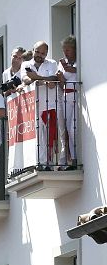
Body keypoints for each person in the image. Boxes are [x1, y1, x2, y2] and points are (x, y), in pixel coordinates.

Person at [22, 41, 60, 169]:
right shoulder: (26, 64)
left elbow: (54, 79)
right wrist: (44, 80)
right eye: (37, 52)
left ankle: (49, 164)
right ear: (33, 50)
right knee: (38, 137)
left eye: (43, 53)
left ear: (46, 54)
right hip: (33, 106)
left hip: (50, 105)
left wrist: (36, 78)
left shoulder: (52, 63)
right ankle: (41, 163)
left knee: (51, 135)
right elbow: (25, 79)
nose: (39, 55)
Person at [56, 36, 78, 169]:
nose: (66, 53)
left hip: (76, 96)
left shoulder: (80, 60)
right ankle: (69, 159)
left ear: (74, 50)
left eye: (68, 50)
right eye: (64, 50)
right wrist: (60, 77)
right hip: (65, 96)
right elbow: (62, 84)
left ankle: (75, 158)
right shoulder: (62, 62)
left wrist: (73, 69)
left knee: (73, 129)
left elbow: (77, 72)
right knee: (66, 130)